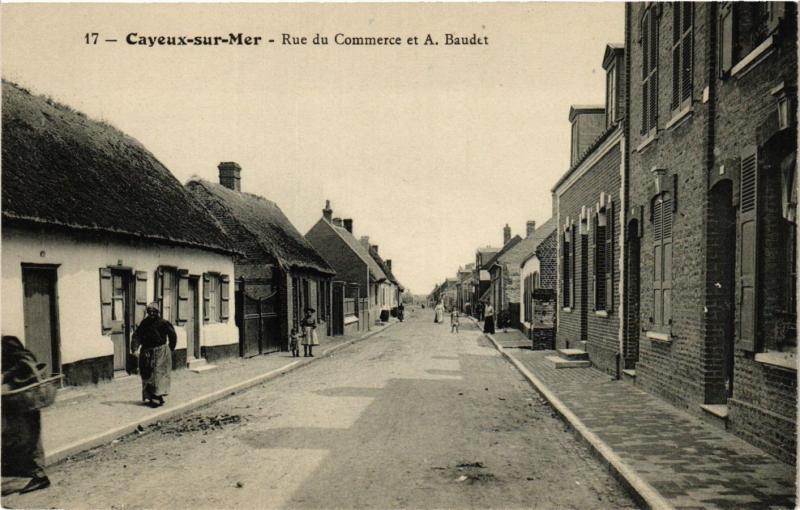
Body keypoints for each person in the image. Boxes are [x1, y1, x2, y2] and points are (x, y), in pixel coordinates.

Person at [1, 336, 50, 493]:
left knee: (30, 439)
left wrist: (4, 377)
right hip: (16, 404)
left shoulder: (8, 345)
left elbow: (25, 363)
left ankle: (40, 477)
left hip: (25, 401)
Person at [131, 302, 176, 408]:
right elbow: (137, 336)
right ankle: (150, 396)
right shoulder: (144, 323)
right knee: (147, 373)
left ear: (157, 312)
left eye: (153, 312)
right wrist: (134, 348)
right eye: (149, 311)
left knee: (158, 374)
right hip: (146, 352)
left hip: (160, 352)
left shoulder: (163, 323)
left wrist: (170, 348)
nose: (151, 313)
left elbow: (172, 335)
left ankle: (157, 396)